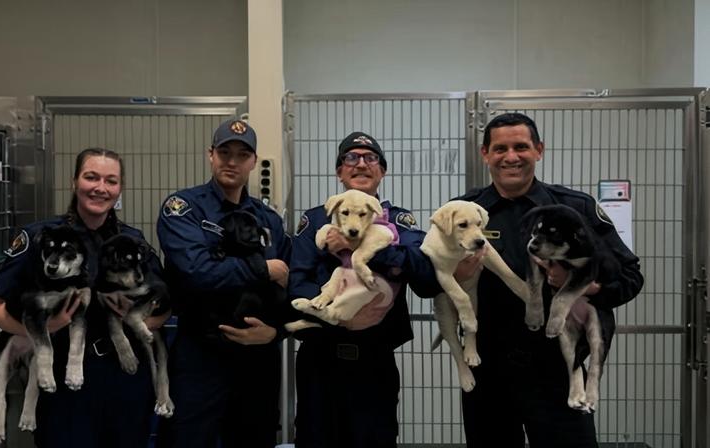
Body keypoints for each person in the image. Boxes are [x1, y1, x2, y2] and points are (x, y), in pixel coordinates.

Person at [455, 113, 644, 447]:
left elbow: (630, 275)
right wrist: (455, 275)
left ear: (539, 150)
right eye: (500, 148)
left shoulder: (575, 208)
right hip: (489, 373)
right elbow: (431, 277)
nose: (510, 156)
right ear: (485, 154)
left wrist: (586, 286)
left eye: (521, 147)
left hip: (558, 371)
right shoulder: (465, 212)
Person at [0, 147, 170, 448]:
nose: (100, 187)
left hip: (125, 377)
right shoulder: (40, 237)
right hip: (63, 380)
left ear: (120, 188)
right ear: (74, 182)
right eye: (91, 177)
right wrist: (48, 328)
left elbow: (163, 309)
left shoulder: (133, 241)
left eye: (111, 180)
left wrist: (138, 319)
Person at [288, 131, 439, 448]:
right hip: (319, 361)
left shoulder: (399, 222)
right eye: (350, 158)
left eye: (370, 158)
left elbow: (427, 278)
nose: (360, 164)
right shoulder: (316, 220)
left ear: (382, 171)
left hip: (374, 361)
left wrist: (368, 248)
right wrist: (339, 312)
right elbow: (297, 284)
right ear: (339, 172)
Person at [155, 118, 292, 448]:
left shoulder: (269, 219)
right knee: (187, 438)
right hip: (201, 354)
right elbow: (196, 271)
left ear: (253, 162)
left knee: (254, 439)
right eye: (224, 152)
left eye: (242, 155)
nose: (232, 161)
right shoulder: (183, 209)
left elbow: (292, 284)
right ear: (210, 155)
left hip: (258, 359)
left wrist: (278, 332)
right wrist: (263, 269)